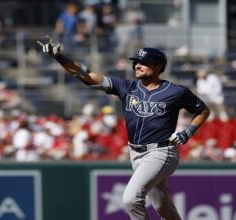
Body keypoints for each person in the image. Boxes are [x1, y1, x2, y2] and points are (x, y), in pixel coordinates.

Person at [37, 36, 210, 220]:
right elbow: (87, 76)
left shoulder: (175, 91)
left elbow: (202, 110)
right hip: (135, 153)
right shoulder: (126, 87)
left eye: (144, 62)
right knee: (161, 203)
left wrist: (188, 132)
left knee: (130, 199)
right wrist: (60, 58)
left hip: (161, 151)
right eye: (136, 62)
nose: (137, 65)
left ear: (159, 66)